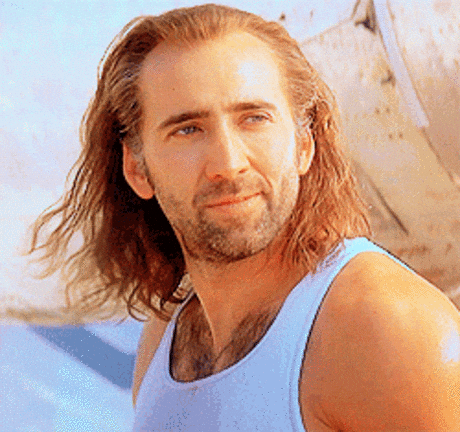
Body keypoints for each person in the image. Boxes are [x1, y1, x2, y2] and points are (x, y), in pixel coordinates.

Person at [29, 4, 460, 431]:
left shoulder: (386, 327)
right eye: (187, 129)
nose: (229, 163)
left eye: (254, 119)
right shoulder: (166, 334)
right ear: (137, 169)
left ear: (304, 145)